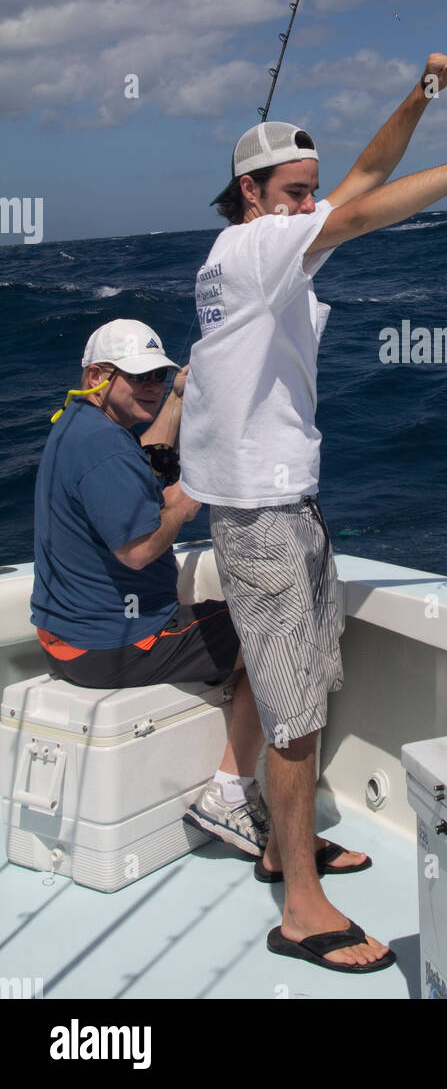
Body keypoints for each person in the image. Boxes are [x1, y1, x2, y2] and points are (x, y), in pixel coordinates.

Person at [179, 53, 447, 973]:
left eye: (309, 194)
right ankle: (301, 907)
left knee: (296, 688)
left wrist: (418, 98)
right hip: (262, 514)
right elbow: (367, 209)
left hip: (278, 502)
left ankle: (273, 844)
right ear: (250, 195)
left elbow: (363, 180)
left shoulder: (248, 251)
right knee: (296, 718)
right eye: (293, 193)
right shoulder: (261, 249)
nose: (309, 207)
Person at [31, 318, 267, 855]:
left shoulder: (79, 426)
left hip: (66, 639)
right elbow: (137, 550)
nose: (152, 386)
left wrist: (179, 400)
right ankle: (229, 795)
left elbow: (144, 462)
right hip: (113, 645)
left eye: (158, 375)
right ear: (97, 376)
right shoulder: (104, 451)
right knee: (278, 633)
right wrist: (196, 490)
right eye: (138, 378)